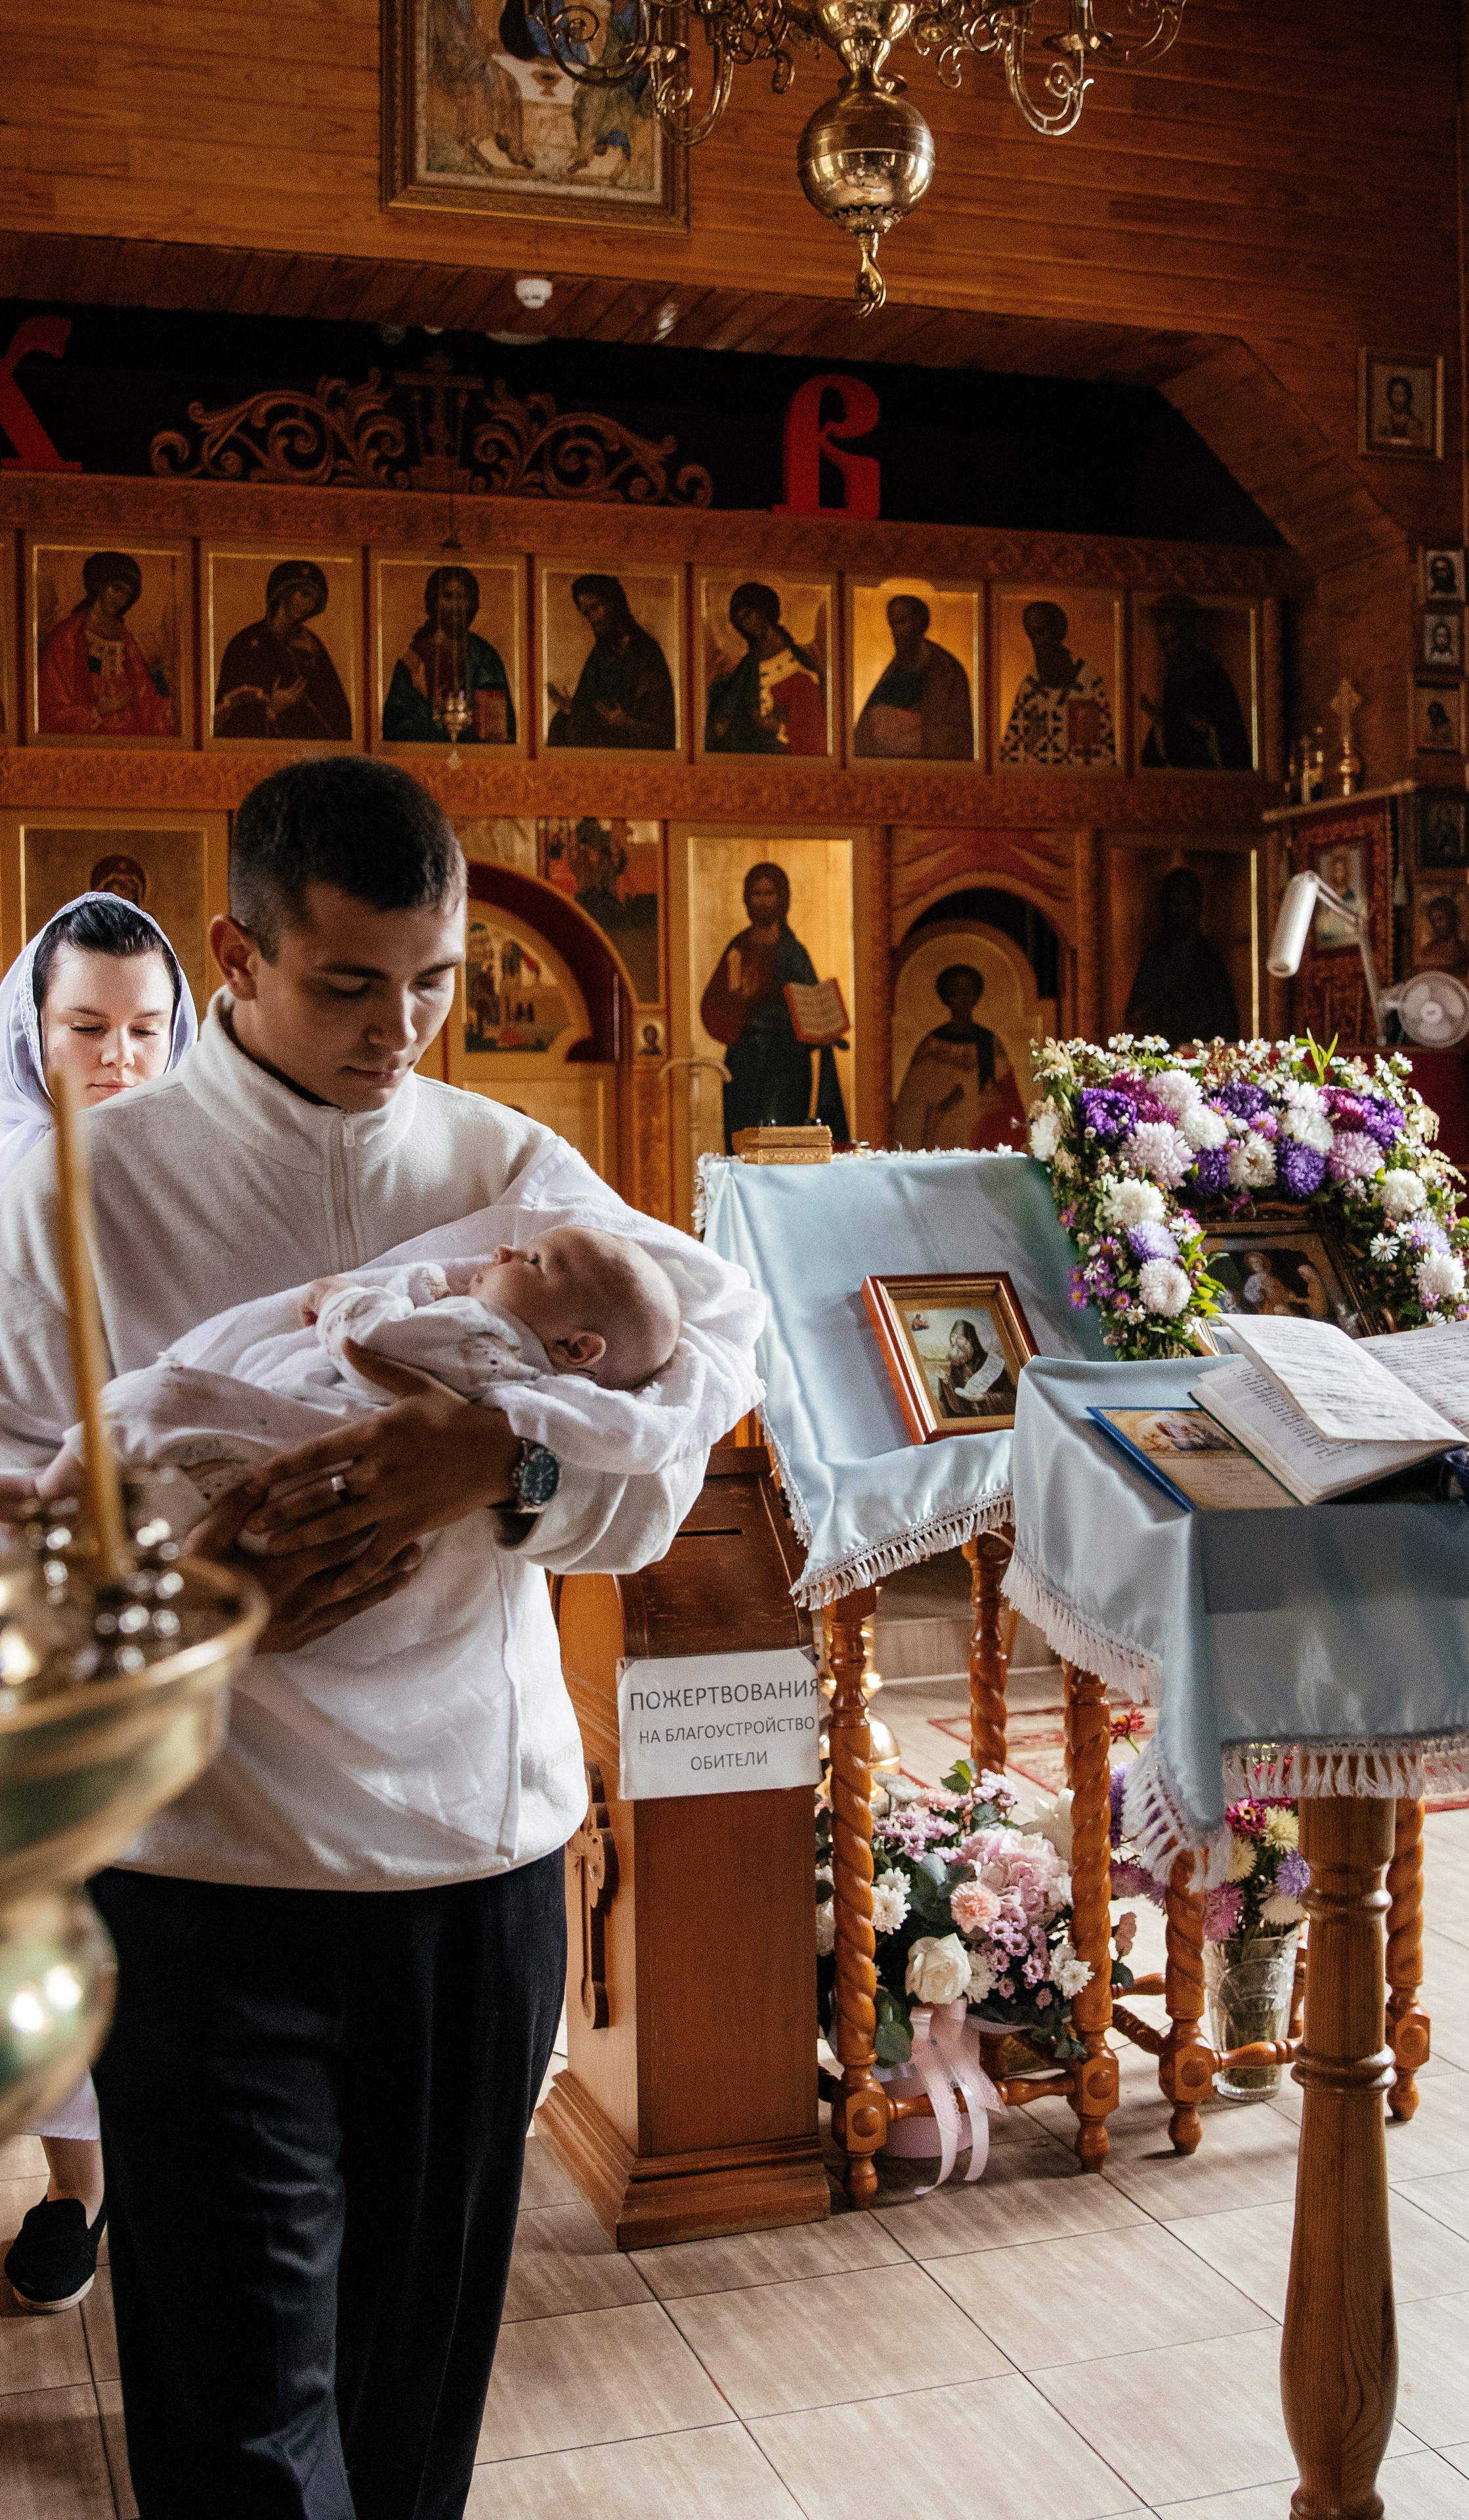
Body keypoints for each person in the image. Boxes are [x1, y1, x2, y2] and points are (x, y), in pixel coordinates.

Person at [0, 756, 759, 2515]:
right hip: (208, 1877)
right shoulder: (73, 1204)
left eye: (434, 979)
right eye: (348, 983)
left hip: (474, 1864)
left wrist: (496, 1469)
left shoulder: (514, 1168)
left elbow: (655, 1484)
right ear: (234, 956)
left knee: (416, 2421)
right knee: (244, 2438)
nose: (399, 1027)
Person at [0, 889, 196, 2317]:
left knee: (134, 1896)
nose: (120, 1063)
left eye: (146, 1032)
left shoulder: (209, 1172)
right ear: (31, 1029)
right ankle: (67, 2180)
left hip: (164, 1572)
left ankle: (127, 2187)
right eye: (87, 1031)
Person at [9, 1223, 687, 1530]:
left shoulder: (488, 1337)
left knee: (153, 1404)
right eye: (346, 983)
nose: (506, 1248)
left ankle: (49, 1492)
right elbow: (634, 1431)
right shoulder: (541, 1380)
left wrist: (338, 1296)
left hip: (303, 1436)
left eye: (533, 1262)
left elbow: (370, 1337)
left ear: (576, 1346)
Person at [699, 860, 847, 1148]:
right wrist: (740, 1000)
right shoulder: (738, 948)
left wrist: (824, 1030)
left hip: (786, 1065)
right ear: (747, 900)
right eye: (757, 894)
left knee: (779, 1141)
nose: (763, 901)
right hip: (746, 1061)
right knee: (744, 1140)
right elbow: (715, 1004)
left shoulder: (793, 952)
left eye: (770, 893)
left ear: (783, 899)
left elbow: (810, 1005)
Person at [37, 551, 176, 738]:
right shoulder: (66, 636)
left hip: (130, 739)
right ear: (100, 585)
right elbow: (49, 709)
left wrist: (169, 709)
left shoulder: (125, 639)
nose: (121, 599)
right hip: (87, 741)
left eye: (127, 594)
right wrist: (97, 711)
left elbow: (145, 695)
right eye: (117, 589)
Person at [214, 560, 354, 743]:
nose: (309, 604)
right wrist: (271, 706)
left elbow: (336, 709)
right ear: (284, 593)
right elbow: (226, 715)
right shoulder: (249, 643)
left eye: (314, 600)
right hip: (264, 753)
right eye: (304, 594)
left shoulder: (312, 646)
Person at [891, 963, 1027, 1150]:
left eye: (969, 993)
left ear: (977, 997)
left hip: (981, 1132)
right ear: (946, 998)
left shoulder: (989, 1042)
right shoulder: (932, 1045)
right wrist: (945, 1103)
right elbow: (913, 1100)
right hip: (941, 1133)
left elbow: (1008, 1094)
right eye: (956, 994)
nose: (963, 1000)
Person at [383, 565, 515, 744]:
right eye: (447, 597)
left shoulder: (485, 656)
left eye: (462, 597)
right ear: (433, 603)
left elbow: (501, 727)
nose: (456, 606)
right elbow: (398, 726)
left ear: (473, 603)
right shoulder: (415, 659)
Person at [545, 574, 675, 749]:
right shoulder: (600, 654)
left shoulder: (646, 652)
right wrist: (571, 709)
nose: (592, 618)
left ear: (614, 603)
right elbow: (589, 705)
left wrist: (627, 723)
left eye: (596, 607)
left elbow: (661, 728)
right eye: (587, 613)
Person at [1122, 867, 1241, 1047]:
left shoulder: (1209, 958)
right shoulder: (1155, 957)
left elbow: (1227, 1020)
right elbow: (1135, 1016)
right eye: (1175, 902)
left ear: (1197, 906)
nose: (1180, 911)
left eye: (1186, 902)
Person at [704, 582, 826, 754]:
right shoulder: (749, 665)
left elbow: (816, 723)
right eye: (739, 623)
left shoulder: (801, 660)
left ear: (763, 610)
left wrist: (777, 725)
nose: (745, 626)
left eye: (747, 615)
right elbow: (728, 710)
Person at [854, 594, 973, 759]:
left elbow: (957, 736)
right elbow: (864, 731)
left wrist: (911, 729)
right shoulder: (897, 667)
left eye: (902, 622)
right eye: (893, 624)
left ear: (920, 623)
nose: (896, 632)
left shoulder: (947, 670)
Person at [1138, 599, 1251, 770]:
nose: (1169, 650)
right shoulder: (1174, 676)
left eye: (1173, 640)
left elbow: (1230, 741)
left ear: (1186, 636)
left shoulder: (1212, 676)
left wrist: (1207, 732)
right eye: (1164, 644)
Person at [998, 601, 1113, 766]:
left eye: (1042, 631)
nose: (1037, 641)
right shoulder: (1030, 686)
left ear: (1057, 631)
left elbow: (1095, 752)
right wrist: (1031, 738)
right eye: (1031, 634)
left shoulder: (1085, 680)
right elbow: (1011, 757)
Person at [935, 1318, 1015, 1418]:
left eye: (960, 1338)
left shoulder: (992, 1364)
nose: (954, 1342)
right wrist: (946, 1381)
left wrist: (984, 1398)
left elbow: (1012, 1398)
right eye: (952, 1337)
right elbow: (953, 1406)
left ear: (970, 1341)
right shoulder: (953, 1366)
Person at [1415, 892, 1469, 977]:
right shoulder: (1428, 951)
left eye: (1440, 919)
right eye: (1433, 921)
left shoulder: (1464, 949)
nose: (1436, 925)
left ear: (1452, 919)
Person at [1379, 371, 1429, 447]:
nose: (1398, 399)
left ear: (1407, 397)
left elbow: (1419, 444)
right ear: (1390, 396)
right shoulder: (1385, 422)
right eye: (1395, 394)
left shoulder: (1415, 423)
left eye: (1402, 394)